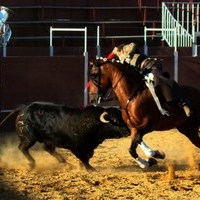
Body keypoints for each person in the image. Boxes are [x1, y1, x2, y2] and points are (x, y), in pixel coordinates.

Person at [107, 42, 192, 117]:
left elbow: (133, 45)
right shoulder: (121, 61)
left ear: (120, 50)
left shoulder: (125, 48)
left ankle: (183, 103)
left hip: (151, 66)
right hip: (142, 72)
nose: (117, 55)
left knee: (158, 79)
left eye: (117, 53)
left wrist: (127, 55)